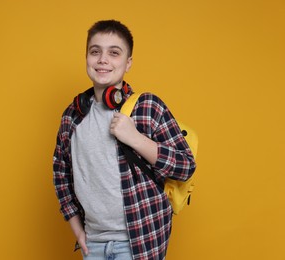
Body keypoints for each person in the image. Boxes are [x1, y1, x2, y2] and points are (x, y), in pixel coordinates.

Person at [53, 20, 196, 260]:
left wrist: (136, 139)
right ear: (87, 57)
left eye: (114, 53)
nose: (103, 59)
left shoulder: (148, 106)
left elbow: (186, 166)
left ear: (127, 63)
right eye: (95, 51)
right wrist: (78, 230)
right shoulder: (73, 115)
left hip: (140, 240)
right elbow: (61, 175)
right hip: (93, 243)